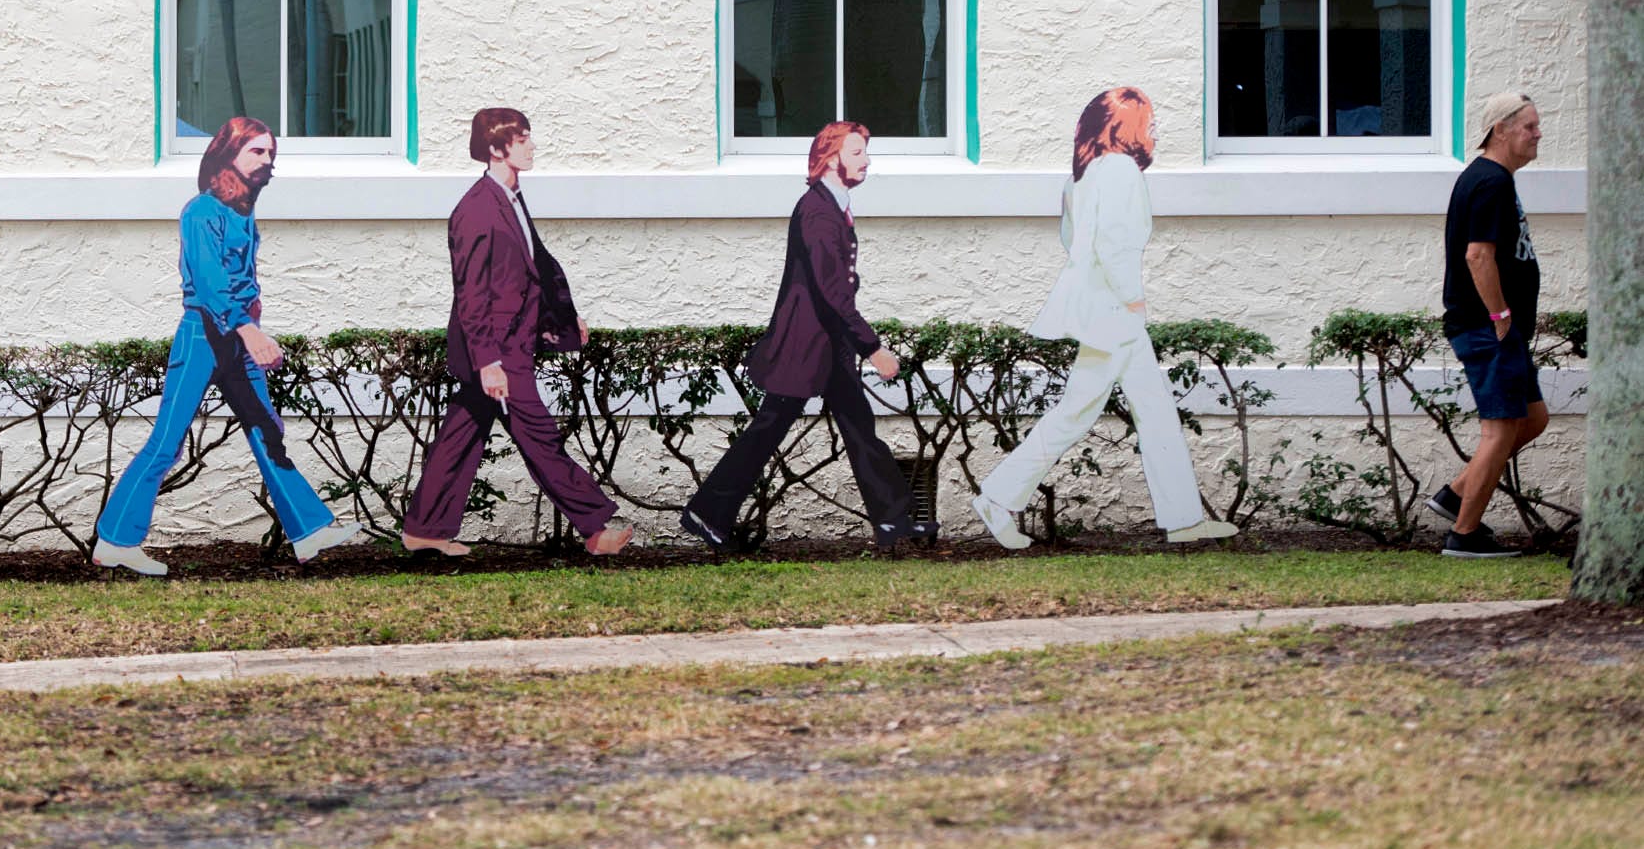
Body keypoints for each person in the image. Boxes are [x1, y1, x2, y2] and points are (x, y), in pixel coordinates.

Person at [969, 89, 1237, 550]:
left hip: (1101, 309)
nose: (1154, 129)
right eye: (1147, 120)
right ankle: (998, 497)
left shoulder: (1083, 174)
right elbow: (1116, 244)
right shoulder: (1121, 171)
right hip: (1116, 311)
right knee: (1116, 411)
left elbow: (1071, 239)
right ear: (1125, 125)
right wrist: (1134, 300)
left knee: (1126, 410)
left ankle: (1183, 519)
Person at [93, 116, 361, 576]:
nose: (268, 160)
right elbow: (211, 282)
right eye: (258, 151)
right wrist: (250, 330)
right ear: (229, 152)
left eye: (271, 153)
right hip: (204, 336)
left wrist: (250, 327)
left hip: (237, 338)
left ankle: (309, 531)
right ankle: (115, 539)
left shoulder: (243, 210)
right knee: (168, 441)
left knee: (266, 430)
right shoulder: (201, 211)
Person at [679, 121, 934, 552]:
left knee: (858, 427)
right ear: (831, 158)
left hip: (826, 345)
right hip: (806, 345)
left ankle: (893, 520)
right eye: (857, 153)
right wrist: (872, 347)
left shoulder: (831, 205)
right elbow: (830, 287)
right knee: (768, 430)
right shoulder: (817, 210)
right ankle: (706, 512)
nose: (866, 161)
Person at [403, 107, 633, 557]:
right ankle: (595, 529)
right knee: (540, 438)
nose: (531, 146)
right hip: (498, 355)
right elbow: (472, 295)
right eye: (522, 139)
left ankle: (424, 530)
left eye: (529, 137)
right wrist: (488, 363)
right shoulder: (475, 211)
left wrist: (564, 320)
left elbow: (533, 271)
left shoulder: (510, 198)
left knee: (460, 437)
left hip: (512, 346)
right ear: (495, 148)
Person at [1429, 92, 1550, 558]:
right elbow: (1478, 255)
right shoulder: (1489, 182)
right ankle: (1464, 534)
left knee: (1532, 418)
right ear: (1500, 129)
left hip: (1501, 330)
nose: (1538, 134)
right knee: (1499, 431)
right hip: (1487, 328)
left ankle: (1456, 493)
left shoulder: (1495, 179)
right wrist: (1500, 317)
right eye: (1530, 127)